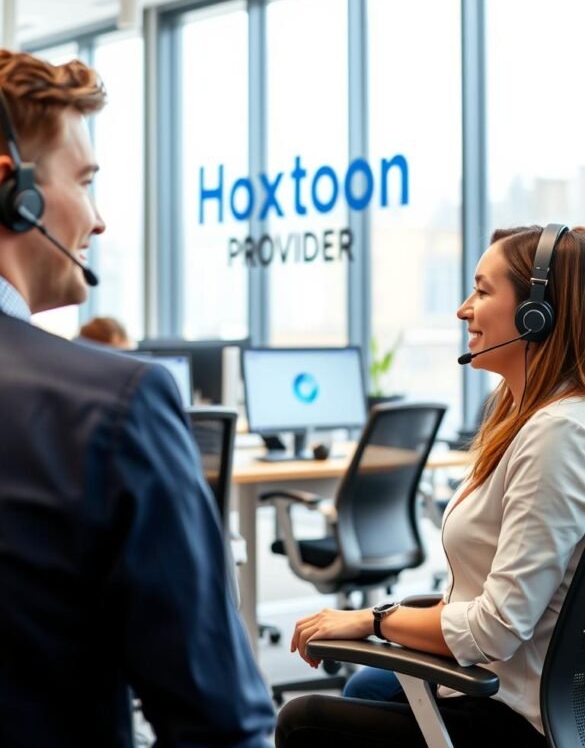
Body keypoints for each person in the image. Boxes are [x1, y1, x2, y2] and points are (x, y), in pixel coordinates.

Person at [0, 49, 274, 748]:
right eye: (84, 181)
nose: (96, 219)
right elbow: (221, 729)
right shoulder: (112, 406)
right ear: (14, 190)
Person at [276, 224, 585, 748]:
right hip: (503, 681)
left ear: (538, 314)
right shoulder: (527, 419)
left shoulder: (556, 434)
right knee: (368, 683)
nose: (464, 309)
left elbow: (497, 627)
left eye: (483, 291)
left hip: (517, 713)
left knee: (300, 718)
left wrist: (373, 620)